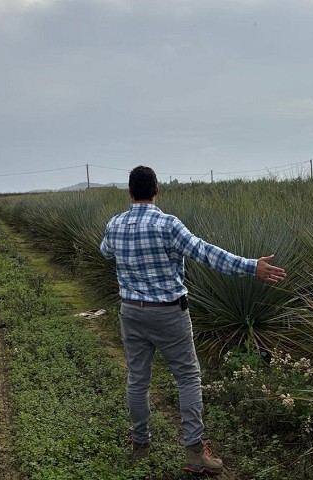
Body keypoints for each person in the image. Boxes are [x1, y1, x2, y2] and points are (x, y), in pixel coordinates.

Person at [100, 165, 287, 475]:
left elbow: (106, 251)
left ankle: (141, 446)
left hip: (131, 312)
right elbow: (205, 252)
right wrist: (251, 266)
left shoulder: (115, 224)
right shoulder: (168, 225)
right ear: (156, 190)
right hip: (169, 313)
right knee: (187, 378)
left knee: (137, 380)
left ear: (130, 192)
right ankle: (195, 453)